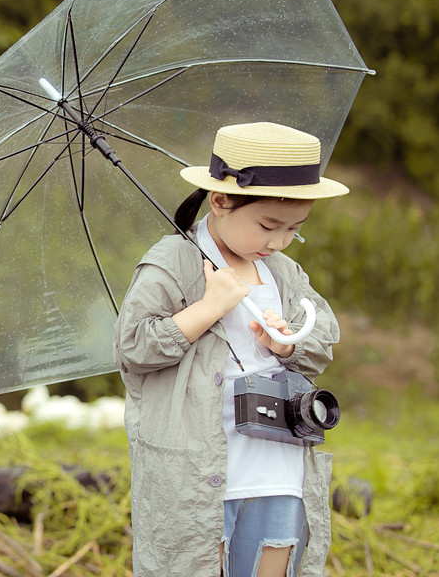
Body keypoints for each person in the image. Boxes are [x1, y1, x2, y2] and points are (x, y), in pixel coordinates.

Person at [113, 122, 348, 577]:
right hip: (198, 474)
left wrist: (285, 343)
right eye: (267, 226)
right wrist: (207, 308)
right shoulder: (173, 263)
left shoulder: (281, 271)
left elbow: (320, 340)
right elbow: (133, 347)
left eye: (294, 230)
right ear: (220, 201)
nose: (277, 242)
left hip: (279, 467)